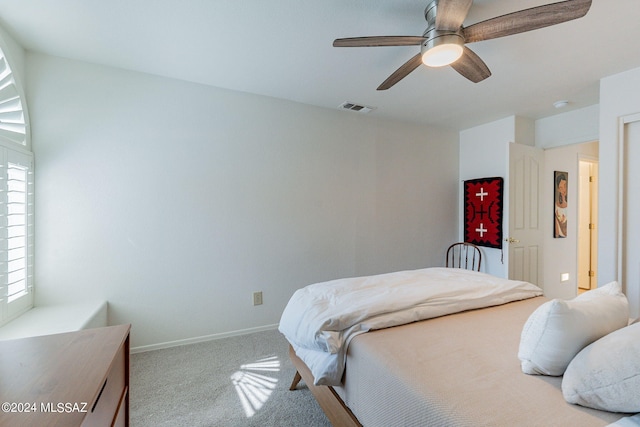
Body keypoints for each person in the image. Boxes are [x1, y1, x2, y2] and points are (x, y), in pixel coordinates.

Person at [554, 173, 568, 238]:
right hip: (559, 236)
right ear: (558, 189)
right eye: (561, 187)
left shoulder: (571, 205)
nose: (563, 189)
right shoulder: (556, 205)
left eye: (565, 185)